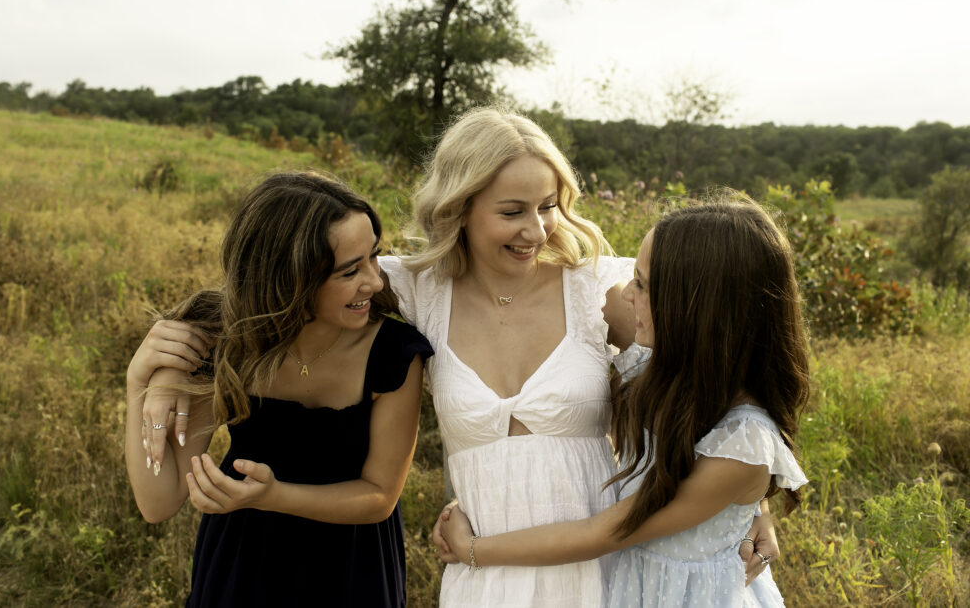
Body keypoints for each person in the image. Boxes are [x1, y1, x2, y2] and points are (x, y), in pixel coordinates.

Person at [132, 108, 781, 606]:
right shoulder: (417, 288)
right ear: (461, 207)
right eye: (512, 210)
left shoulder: (595, 287)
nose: (538, 228)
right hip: (486, 565)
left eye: (549, 205)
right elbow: (284, 285)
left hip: (599, 563)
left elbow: (708, 368)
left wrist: (746, 503)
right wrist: (162, 375)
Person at [437, 197, 810, 607]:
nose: (627, 294)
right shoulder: (656, 371)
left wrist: (473, 549)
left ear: (699, 309)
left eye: (643, 283)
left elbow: (604, 532)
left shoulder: (745, 444)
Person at [124, 171, 432, 607]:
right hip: (245, 567)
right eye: (350, 271)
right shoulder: (228, 346)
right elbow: (159, 502)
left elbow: (379, 496)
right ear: (290, 279)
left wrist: (273, 496)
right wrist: (138, 381)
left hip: (350, 569)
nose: (376, 282)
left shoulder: (394, 354)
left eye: (373, 259)